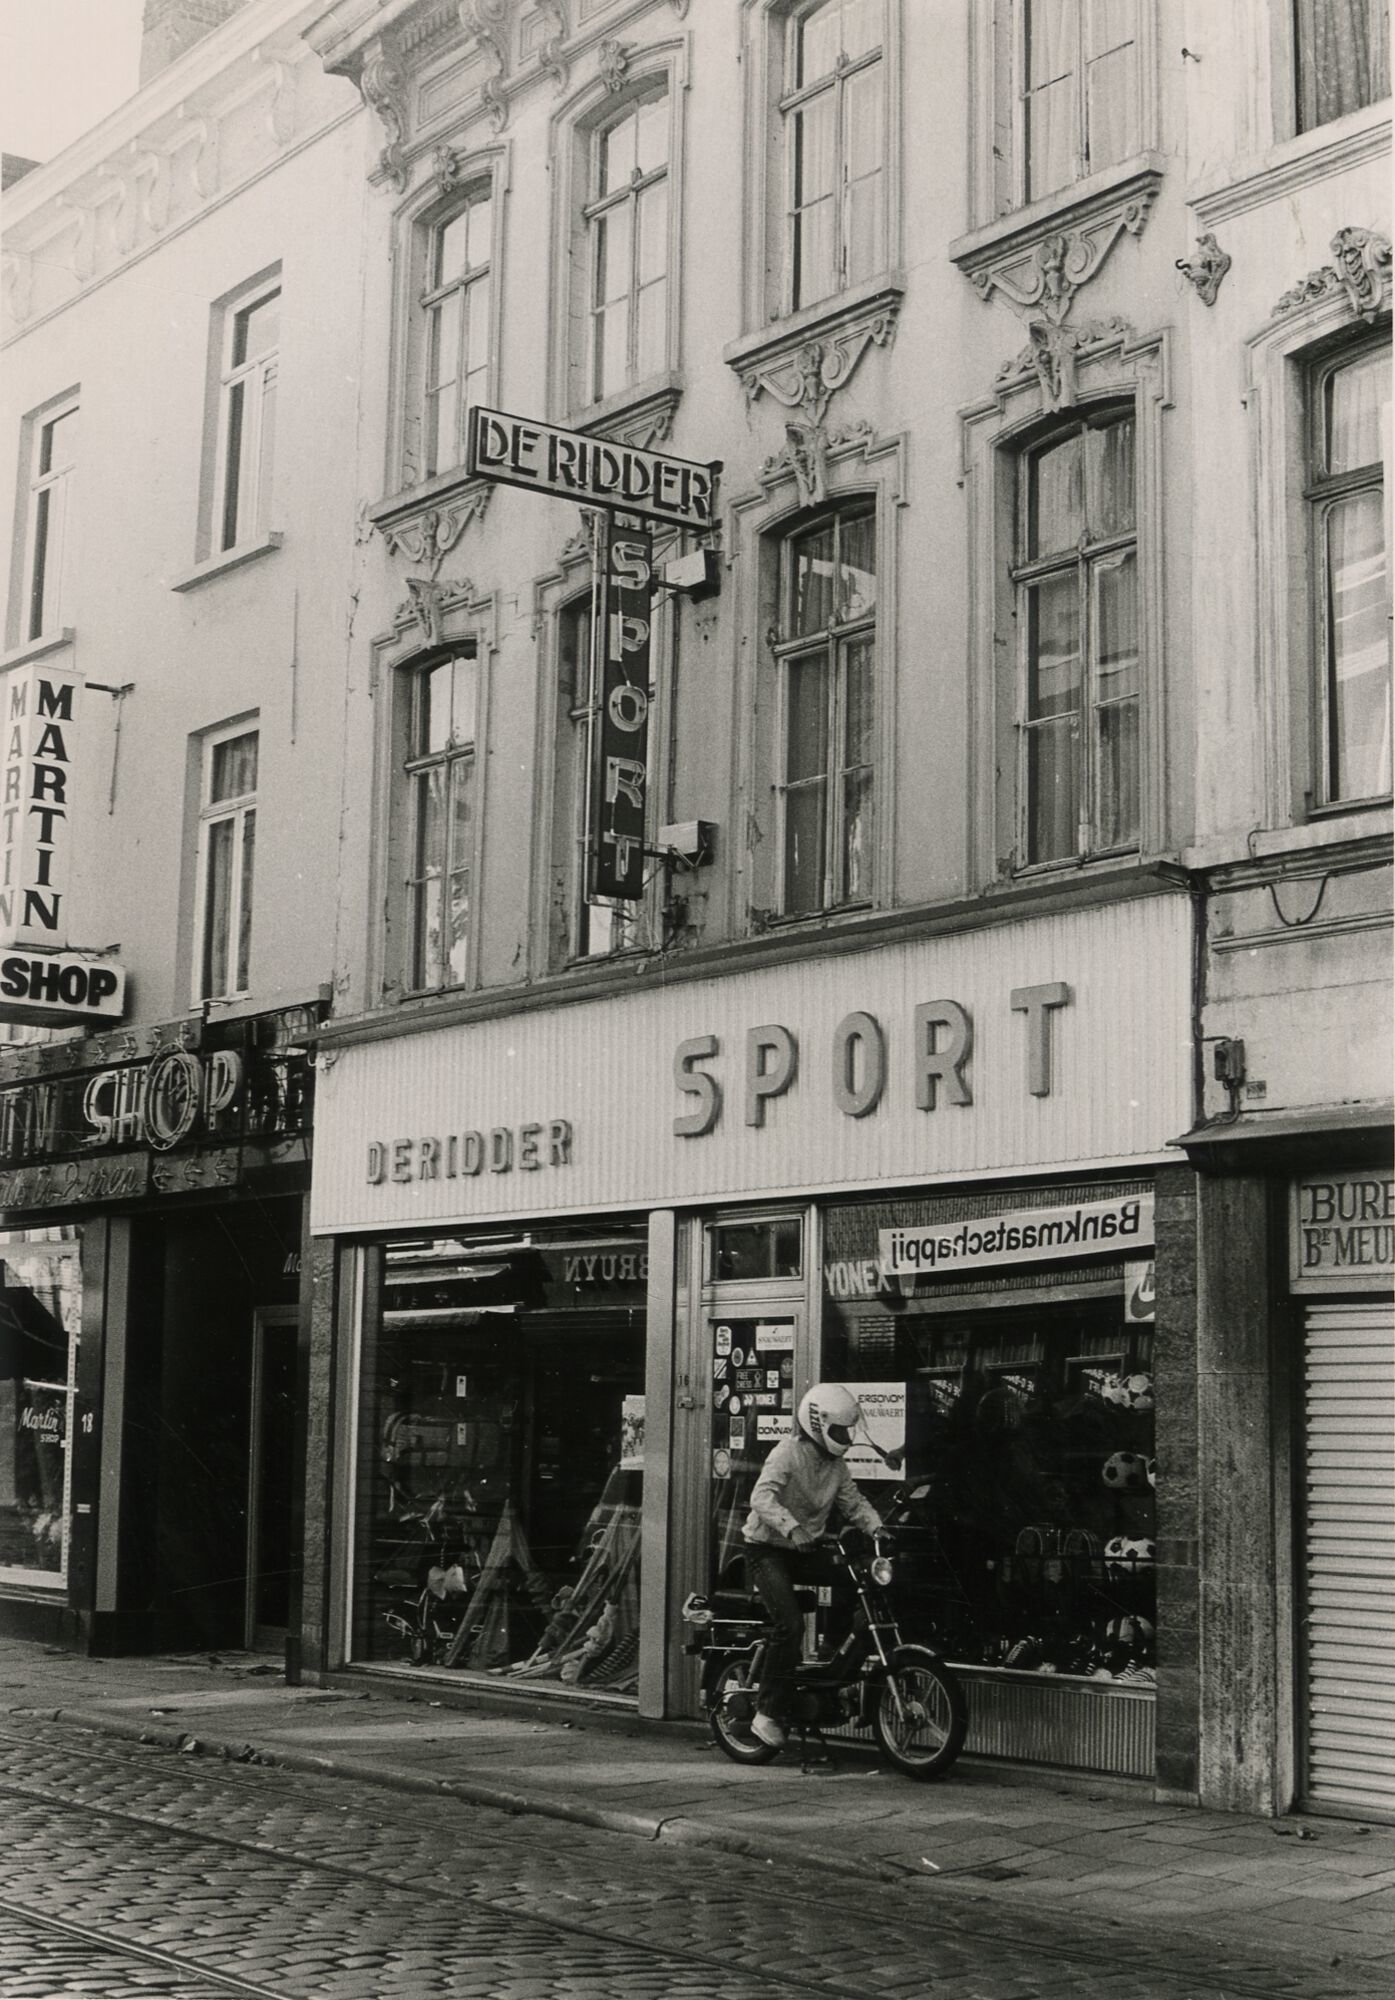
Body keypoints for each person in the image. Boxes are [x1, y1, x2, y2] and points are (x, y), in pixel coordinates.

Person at [741, 1383, 884, 1748]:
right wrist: (792, 1528)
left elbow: (854, 1503)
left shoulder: (837, 1466)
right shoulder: (787, 1453)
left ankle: (831, 1651)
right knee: (790, 1625)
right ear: (818, 1425)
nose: (845, 1438)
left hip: (804, 1550)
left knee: (857, 1579)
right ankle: (766, 1712)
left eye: (848, 1431)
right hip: (767, 1549)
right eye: (839, 1431)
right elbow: (761, 1498)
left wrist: (878, 1528)